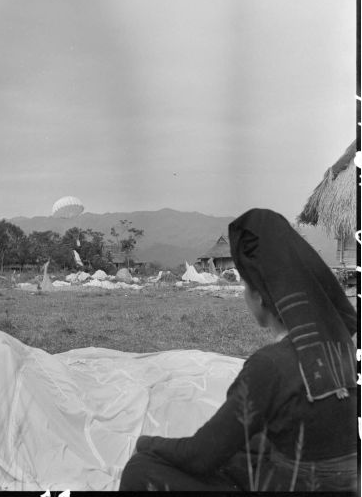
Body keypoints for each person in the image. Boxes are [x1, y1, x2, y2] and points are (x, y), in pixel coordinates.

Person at [119, 208, 358, 492]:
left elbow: (200, 456)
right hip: (339, 484)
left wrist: (147, 443)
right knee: (245, 448)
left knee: (140, 470)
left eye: (245, 286)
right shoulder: (343, 344)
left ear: (258, 296)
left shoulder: (270, 366)